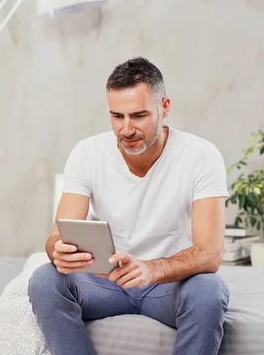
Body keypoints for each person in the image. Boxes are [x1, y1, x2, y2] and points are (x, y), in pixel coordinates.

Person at [28, 57, 230, 355]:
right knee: (44, 280)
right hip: (105, 283)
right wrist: (59, 251)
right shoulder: (87, 153)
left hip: (168, 285)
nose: (126, 129)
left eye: (138, 116)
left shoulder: (201, 155)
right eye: (117, 116)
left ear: (164, 108)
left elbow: (210, 253)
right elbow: (56, 235)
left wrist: (152, 269)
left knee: (209, 292)